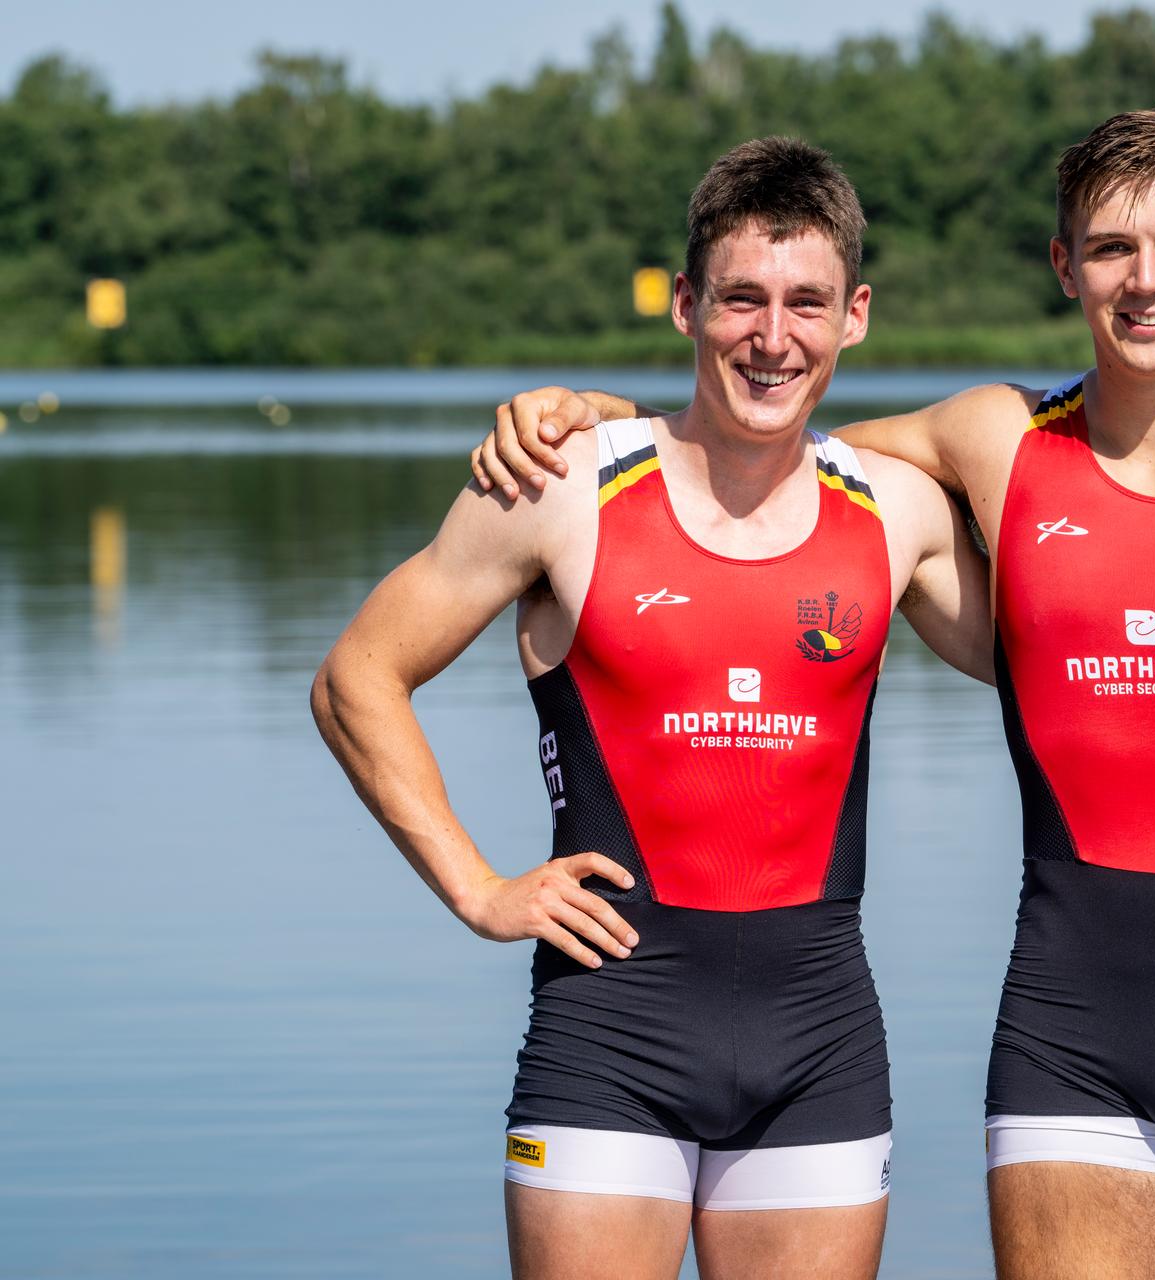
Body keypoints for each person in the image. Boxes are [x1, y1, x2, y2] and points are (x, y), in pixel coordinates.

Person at [474, 110, 1155, 1280]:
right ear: (1066, 267)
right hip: (1069, 1043)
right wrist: (600, 421)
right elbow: (764, 439)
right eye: (1110, 247)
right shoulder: (994, 440)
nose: (1145, 279)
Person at [313, 137, 991, 1280]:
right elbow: (355, 679)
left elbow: (1077, 655)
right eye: (740, 300)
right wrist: (479, 889)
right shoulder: (558, 482)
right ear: (686, 304)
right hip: (607, 1038)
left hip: (819, 1042)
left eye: (806, 304)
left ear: (855, 315)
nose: (772, 337)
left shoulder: (896, 510)